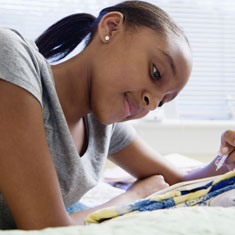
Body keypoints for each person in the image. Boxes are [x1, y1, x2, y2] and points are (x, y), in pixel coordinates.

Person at [0, 0, 233, 230]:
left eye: (162, 102)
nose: (151, 104)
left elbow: (177, 182)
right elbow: (47, 226)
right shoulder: (12, 55)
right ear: (110, 28)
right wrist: (134, 197)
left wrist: (225, 160)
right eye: (155, 72)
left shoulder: (102, 125)